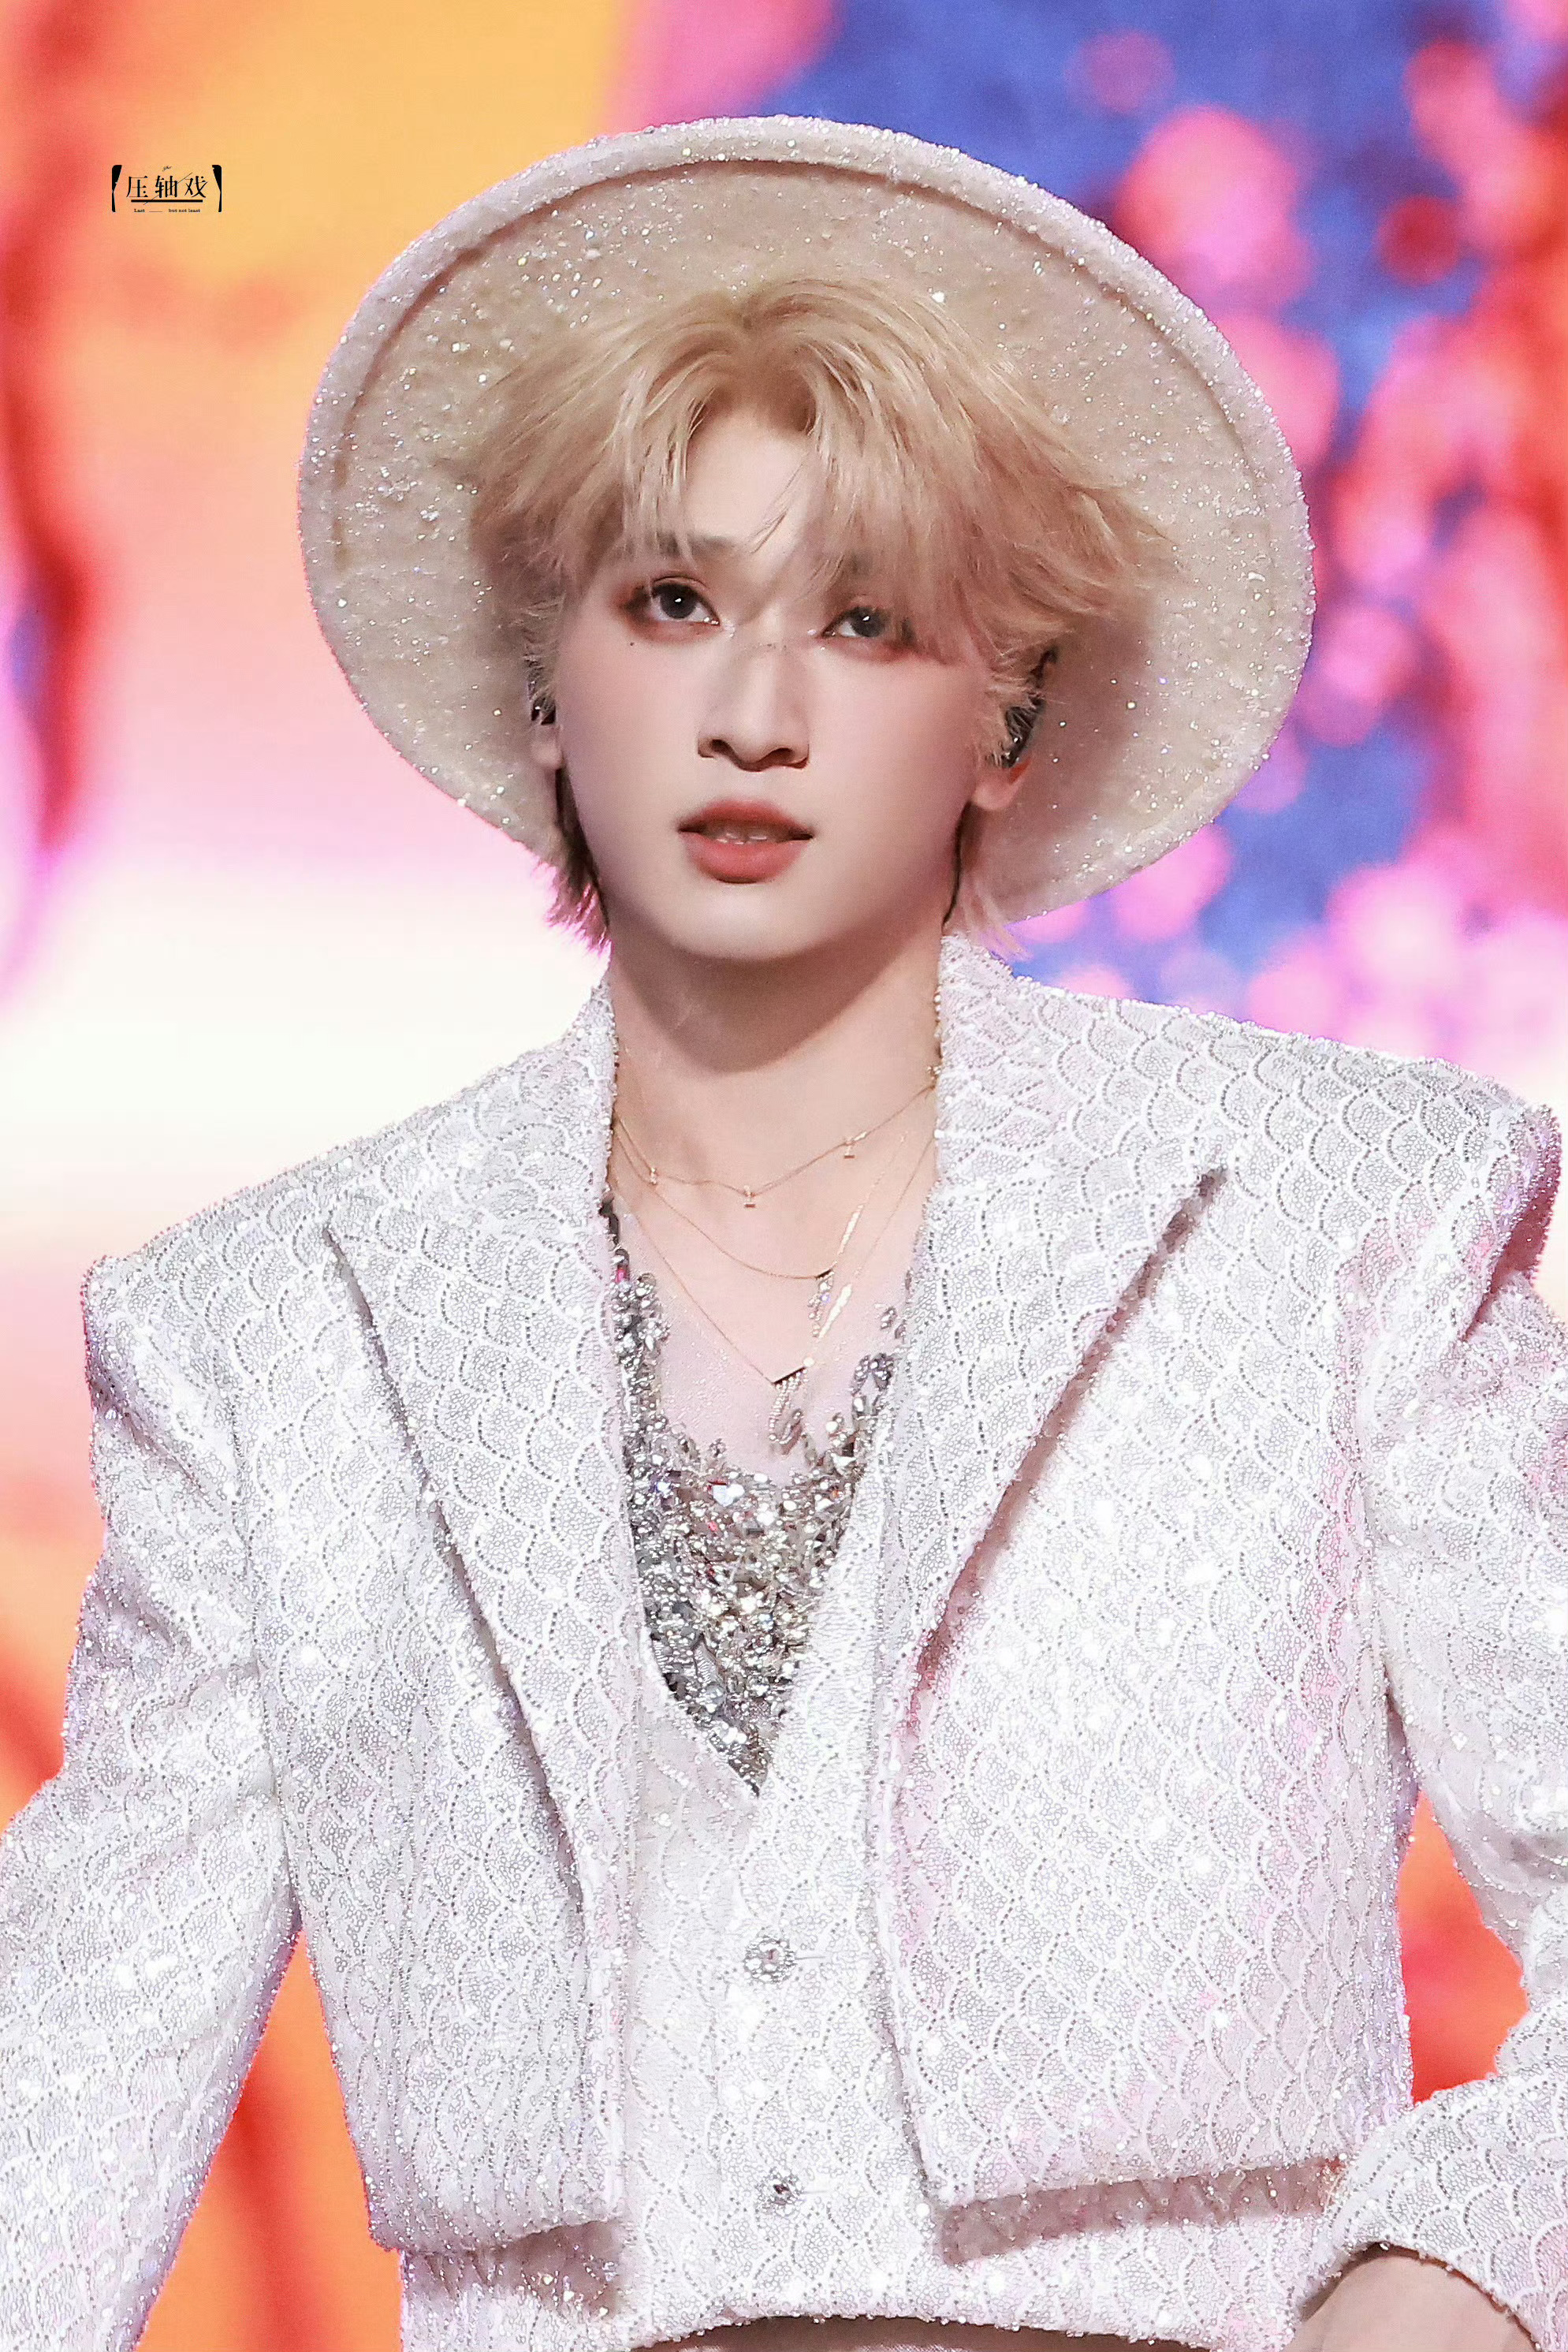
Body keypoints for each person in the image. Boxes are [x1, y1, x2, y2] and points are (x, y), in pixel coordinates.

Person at [1, 115, 1562, 2352]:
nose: (753, 711)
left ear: (1007, 715)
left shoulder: (1345, 1225)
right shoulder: (270, 1338)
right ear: (546, 683)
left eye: (864, 619)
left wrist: (1453, 2279)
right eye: (672, 604)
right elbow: (66, 2081)